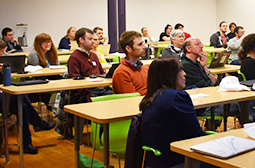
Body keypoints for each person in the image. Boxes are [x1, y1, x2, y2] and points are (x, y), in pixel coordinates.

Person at [140, 56, 208, 168]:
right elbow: (197, 135)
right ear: (169, 75)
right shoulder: (177, 97)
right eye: (180, 70)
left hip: (158, 159)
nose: (184, 74)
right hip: (179, 159)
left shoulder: (150, 99)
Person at [0, 39, 55, 154]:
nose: (2, 55)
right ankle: (38, 123)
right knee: (20, 96)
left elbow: (5, 82)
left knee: (23, 106)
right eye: (0, 52)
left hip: (3, 95)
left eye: (3, 52)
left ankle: (27, 143)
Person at [181, 37, 242, 126]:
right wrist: (212, 85)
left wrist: (204, 67)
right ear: (188, 48)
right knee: (241, 104)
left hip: (210, 100)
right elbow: (206, 87)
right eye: (198, 44)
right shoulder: (186, 65)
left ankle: (212, 125)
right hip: (203, 106)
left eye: (201, 44)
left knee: (241, 102)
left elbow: (214, 83)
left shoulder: (197, 63)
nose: (202, 46)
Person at [112, 31, 148, 96]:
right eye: (140, 45)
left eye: (143, 43)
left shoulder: (144, 68)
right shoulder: (121, 73)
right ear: (128, 49)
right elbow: (131, 98)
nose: (144, 47)